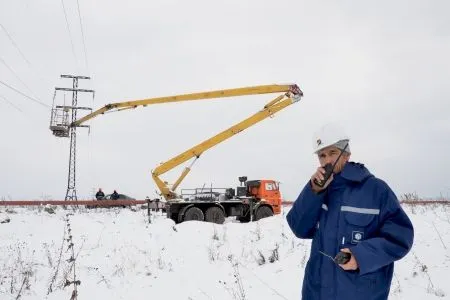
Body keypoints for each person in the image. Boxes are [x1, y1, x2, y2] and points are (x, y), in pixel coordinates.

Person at [286, 123, 414, 300]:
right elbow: (299, 228)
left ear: (346, 154)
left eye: (332, 153)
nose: (326, 161)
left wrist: (360, 256)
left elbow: (400, 238)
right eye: (322, 155)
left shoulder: (376, 190)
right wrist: (313, 191)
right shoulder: (319, 190)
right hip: (316, 292)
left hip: (359, 292)